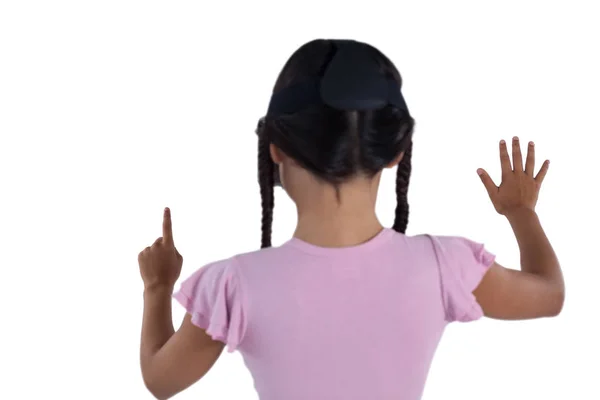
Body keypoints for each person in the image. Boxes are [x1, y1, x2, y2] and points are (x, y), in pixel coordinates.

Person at [137, 39, 565, 400]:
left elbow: (160, 380)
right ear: (397, 154)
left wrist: (158, 287)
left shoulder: (232, 286)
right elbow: (549, 296)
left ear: (276, 150)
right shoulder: (444, 266)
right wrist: (521, 213)